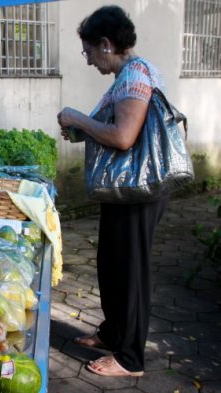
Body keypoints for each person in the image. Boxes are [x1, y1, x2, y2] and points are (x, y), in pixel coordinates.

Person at [56, 6, 169, 377]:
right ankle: (113, 332)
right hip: (125, 189)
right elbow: (113, 127)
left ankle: (130, 358)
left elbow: (123, 137)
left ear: (106, 44)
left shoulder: (135, 76)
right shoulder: (129, 75)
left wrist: (77, 119)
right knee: (112, 262)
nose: (88, 61)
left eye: (88, 52)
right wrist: (81, 128)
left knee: (130, 271)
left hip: (139, 189)